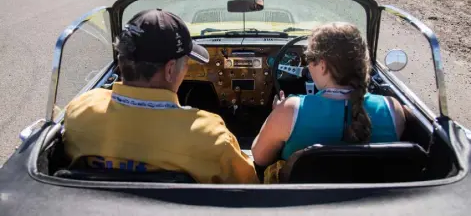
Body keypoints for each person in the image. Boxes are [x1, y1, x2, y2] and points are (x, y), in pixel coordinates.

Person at [63, 9, 259, 184]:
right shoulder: (211, 137)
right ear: (170, 69)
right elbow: (250, 191)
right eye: (186, 64)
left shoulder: (80, 110)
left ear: (122, 60)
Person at [251, 22, 406, 174]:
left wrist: (278, 113)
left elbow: (260, 158)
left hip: (302, 199)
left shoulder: (290, 110)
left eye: (309, 59)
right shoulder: (393, 110)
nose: (308, 67)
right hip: (372, 199)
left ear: (323, 65)